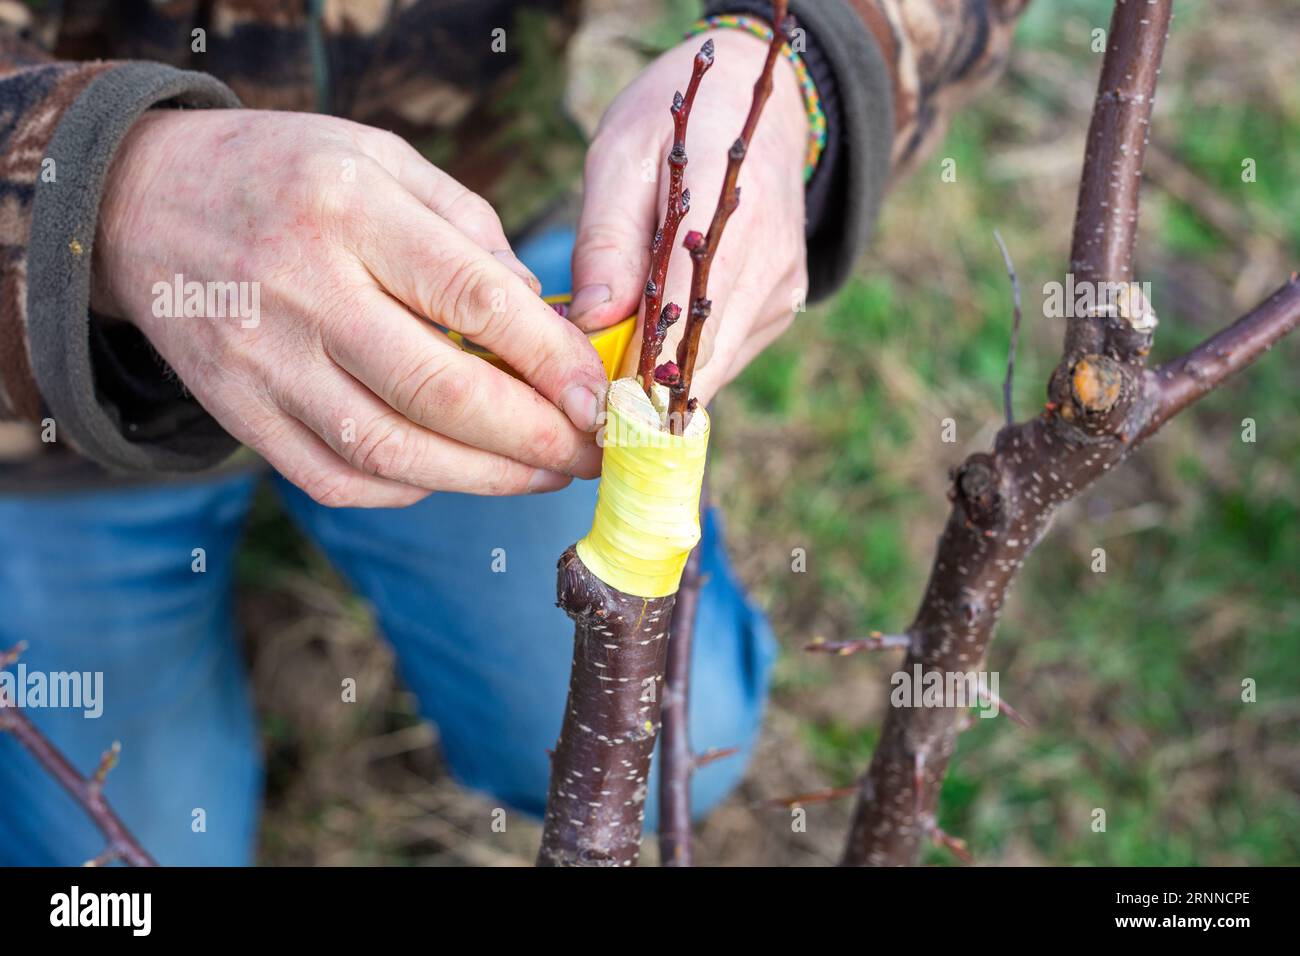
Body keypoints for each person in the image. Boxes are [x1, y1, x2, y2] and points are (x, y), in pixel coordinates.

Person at [0, 0, 1027, 864]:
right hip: (49, 380)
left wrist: (802, 66)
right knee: (123, 871)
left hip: (488, 258)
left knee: (672, 740)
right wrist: (98, 189)